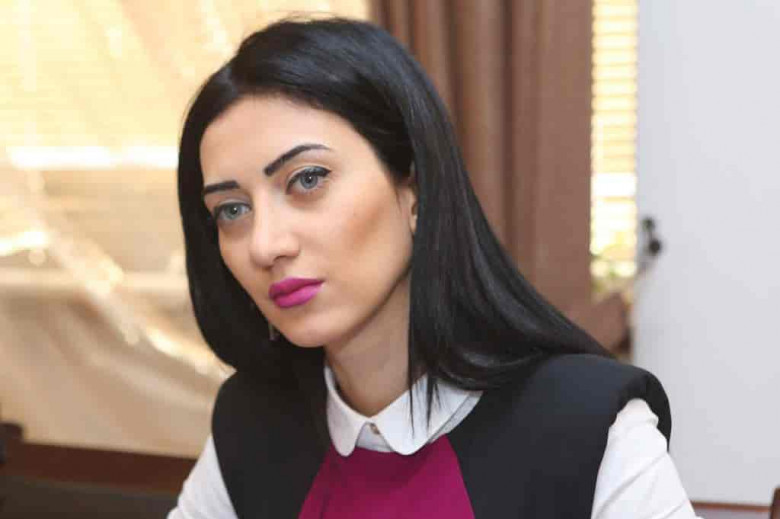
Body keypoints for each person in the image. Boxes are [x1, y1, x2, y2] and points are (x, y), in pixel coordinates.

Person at [170, 17, 699, 519]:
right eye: (232, 210)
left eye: (307, 179)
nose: (265, 244)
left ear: (416, 188)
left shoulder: (585, 424)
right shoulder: (252, 423)